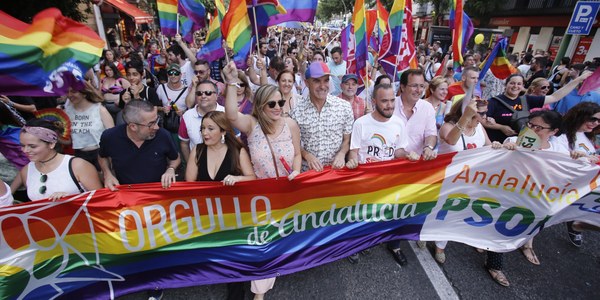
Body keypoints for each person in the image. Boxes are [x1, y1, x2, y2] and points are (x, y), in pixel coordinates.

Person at [223, 62, 302, 300]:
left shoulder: (290, 125)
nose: (278, 107)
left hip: (287, 193)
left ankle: (268, 278)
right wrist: (230, 82)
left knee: (278, 240)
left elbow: (297, 153)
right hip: (260, 195)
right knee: (263, 242)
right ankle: (260, 293)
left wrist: (296, 171)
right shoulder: (252, 125)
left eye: (281, 102)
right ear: (260, 105)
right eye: (272, 104)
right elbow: (230, 114)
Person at [484, 72, 591, 143]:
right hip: (497, 144)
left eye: (519, 84)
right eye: (512, 83)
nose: (515, 86)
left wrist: (577, 80)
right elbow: (482, 121)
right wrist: (500, 127)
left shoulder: (527, 100)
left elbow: (555, 96)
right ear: (506, 85)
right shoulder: (494, 102)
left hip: (519, 145)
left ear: (522, 86)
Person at [99, 100, 180, 192]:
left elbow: (175, 158)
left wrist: (171, 169)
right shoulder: (110, 137)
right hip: (126, 195)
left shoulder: (163, 135)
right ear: (133, 126)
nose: (156, 127)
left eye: (157, 120)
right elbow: (102, 156)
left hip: (159, 195)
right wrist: (107, 174)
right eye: (151, 124)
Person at [14, 118, 102, 201]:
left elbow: (101, 200)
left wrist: (73, 199)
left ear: (51, 144)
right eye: (22, 145)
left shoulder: (78, 165)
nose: (25, 150)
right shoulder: (26, 170)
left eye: (32, 146)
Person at [290, 62, 354, 172]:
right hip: (309, 174)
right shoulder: (296, 112)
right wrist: (307, 155)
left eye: (326, 80)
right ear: (307, 83)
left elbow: (347, 140)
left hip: (336, 172)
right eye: (317, 81)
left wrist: (342, 154)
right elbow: (294, 144)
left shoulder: (344, 107)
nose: (322, 86)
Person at [184, 111, 255, 184]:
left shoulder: (237, 151)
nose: (204, 133)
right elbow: (190, 183)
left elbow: (252, 177)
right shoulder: (197, 150)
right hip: (203, 195)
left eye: (210, 129)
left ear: (223, 131)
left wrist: (238, 178)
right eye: (203, 128)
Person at [64, 81, 114, 170]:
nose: (69, 95)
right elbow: (68, 141)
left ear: (84, 93)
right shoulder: (67, 112)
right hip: (80, 156)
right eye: (67, 92)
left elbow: (113, 137)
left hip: (101, 154)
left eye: (74, 91)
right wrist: (55, 134)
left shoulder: (99, 109)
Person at [178, 80, 225, 163]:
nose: (203, 96)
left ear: (217, 95)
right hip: (198, 167)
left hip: (224, 164)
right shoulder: (187, 116)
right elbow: (184, 143)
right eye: (199, 93)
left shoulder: (226, 114)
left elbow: (236, 141)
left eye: (208, 93)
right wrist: (191, 165)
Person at [118, 58, 161, 125]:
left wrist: (137, 97)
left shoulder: (150, 92)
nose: (131, 77)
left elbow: (154, 114)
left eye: (135, 74)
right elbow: (124, 118)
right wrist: (127, 104)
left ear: (142, 74)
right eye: (128, 74)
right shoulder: (124, 93)